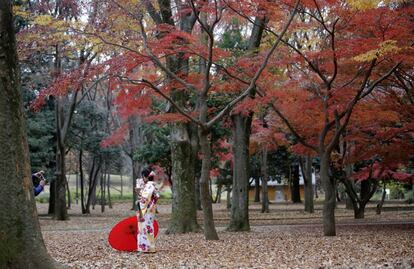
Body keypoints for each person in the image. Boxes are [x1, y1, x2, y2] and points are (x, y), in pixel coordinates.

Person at [136, 168, 159, 253]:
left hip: (146, 210)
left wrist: (139, 202)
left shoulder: (149, 185)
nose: (142, 179)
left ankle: (145, 248)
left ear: (145, 177)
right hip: (150, 209)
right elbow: (156, 196)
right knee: (149, 228)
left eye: (143, 177)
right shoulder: (153, 185)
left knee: (144, 228)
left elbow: (145, 199)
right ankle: (150, 247)